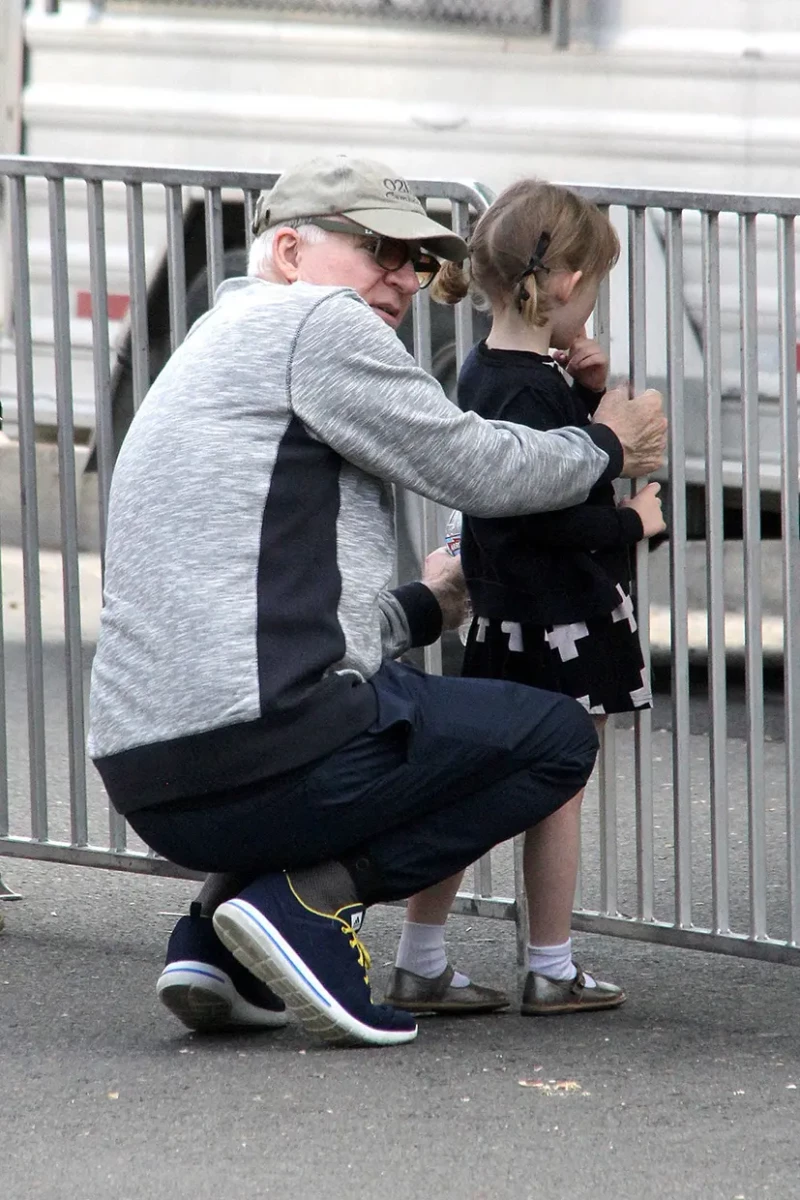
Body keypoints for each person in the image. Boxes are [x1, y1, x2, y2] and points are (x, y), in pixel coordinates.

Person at [87, 154, 667, 1048]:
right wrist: (604, 444)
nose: (403, 278)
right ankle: (310, 902)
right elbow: (474, 463)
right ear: (289, 251)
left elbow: (257, 605)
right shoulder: (316, 321)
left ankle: (214, 939)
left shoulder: (217, 339)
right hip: (259, 746)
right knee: (552, 739)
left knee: (374, 712)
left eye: (417, 261)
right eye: (377, 250)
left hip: (153, 775)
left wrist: (425, 606)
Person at [389, 179, 665, 1018]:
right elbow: (550, 515)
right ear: (569, 283)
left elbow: (537, 477)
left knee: (477, 778)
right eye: (598, 286)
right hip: (566, 622)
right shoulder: (531, 388)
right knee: (558, 786)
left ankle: (422, 957)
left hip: (509, 616)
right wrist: (633, 522)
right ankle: (550, 963)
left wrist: (587, 391)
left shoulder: (488, 368)